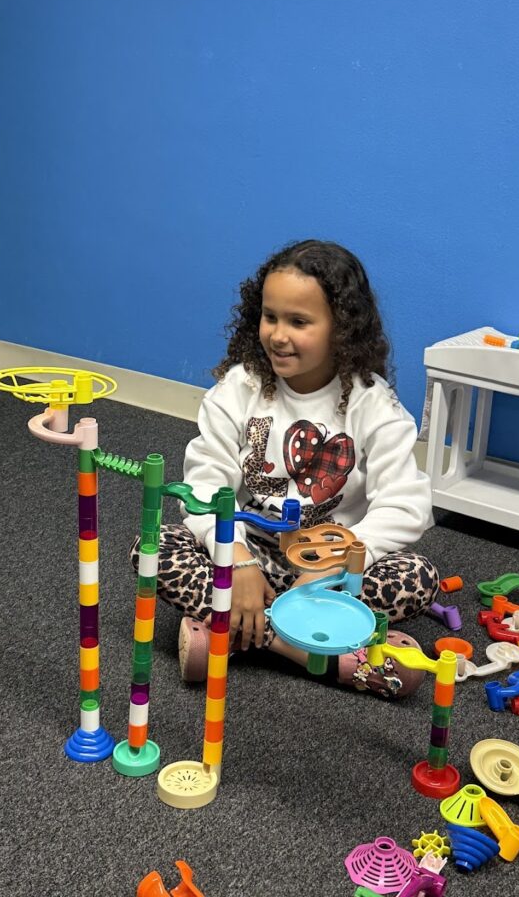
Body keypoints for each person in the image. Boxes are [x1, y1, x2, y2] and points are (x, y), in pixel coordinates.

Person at [130, 239, 439, 698]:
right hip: (247, 554)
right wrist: (236, 559)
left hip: (327, 576)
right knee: (152, 549)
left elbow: (406, 505)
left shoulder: (372, 404)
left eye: (299, 322)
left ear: (341, 329)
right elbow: (205, 485)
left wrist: (334, 566)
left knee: (417, 577)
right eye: (270, 316)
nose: (278, 335)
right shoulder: (239, 389)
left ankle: (235, 632)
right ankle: (313, 653)